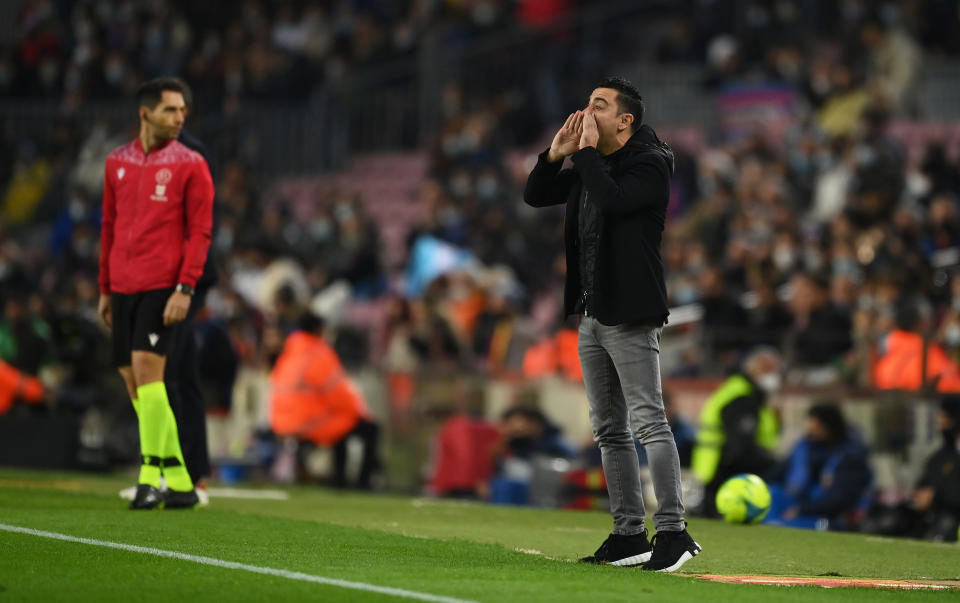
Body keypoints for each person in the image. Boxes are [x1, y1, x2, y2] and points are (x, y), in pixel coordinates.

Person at [523, 76, 699, 571]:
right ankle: (628, 535)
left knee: (649, 423)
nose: (587, 112)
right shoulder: (589, 160)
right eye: (587, 103)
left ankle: (673, 531)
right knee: (609, 430)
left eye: (599, 105)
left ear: (626, 120)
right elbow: (536, 196)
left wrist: (584, 156)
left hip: (632, 311)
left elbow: (616, 201)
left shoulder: (652, 161)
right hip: (594, 311)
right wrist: (556, 154)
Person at [98, 77, 214, 509]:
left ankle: (149, 477)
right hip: (122, 285)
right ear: (145, 113)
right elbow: (108, 226)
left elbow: (201, 231)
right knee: (134, 382)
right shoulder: (116, 163)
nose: (180, 117)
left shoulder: (191, 164)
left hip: (163, 284)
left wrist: (185, 287)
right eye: (170, 109)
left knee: (150, 376)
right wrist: (104, 287)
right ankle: (180, 480)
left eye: (183, 110)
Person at [164, 78, 216, 493]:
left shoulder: (190, 154)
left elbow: (194, 225)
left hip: (184, 277)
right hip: (174, 275)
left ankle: (174, 472)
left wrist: (184, 284)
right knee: (182, 372)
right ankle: (193, 472)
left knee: (165, 372)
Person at [269, 312, 380, 489]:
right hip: (308, 423)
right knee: (368, 428)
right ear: (318, 330)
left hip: (282, 422)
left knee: (341, 426)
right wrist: (363, 414)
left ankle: (340, 482)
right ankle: (361, 484)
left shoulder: (288, 353)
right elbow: (340, 394)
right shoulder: (318, 352)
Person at [691, 347, 781, 516]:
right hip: (723, 472)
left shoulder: (742, 391)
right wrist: (772, 465)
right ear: (754, 369)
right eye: (769, 370)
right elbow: (739, 444)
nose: (775, 376)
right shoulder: (742, 397)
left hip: (715, 468)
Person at [764, 403, 872, 531]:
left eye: (814, 425)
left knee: (786, 525)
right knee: (772, 493)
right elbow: (779, 472)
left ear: (827, 427)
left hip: (827, 517)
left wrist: (802, 510)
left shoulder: (849, 457)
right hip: (797, 503)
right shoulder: (803, 448)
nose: (809, 429)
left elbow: (840, 500)